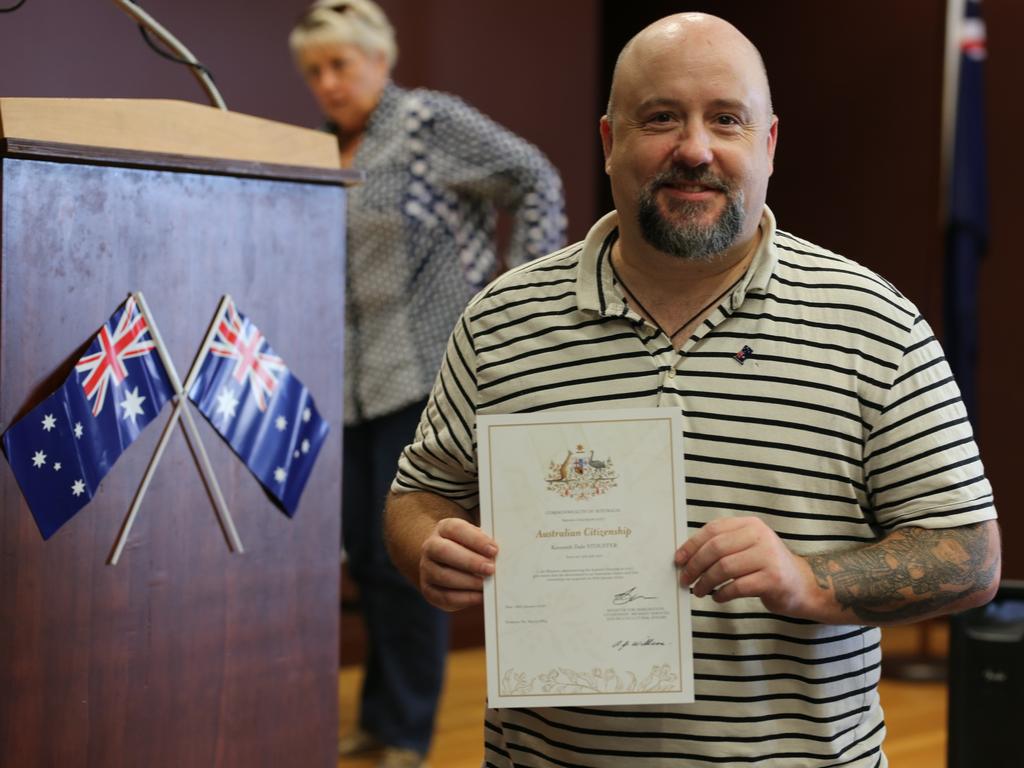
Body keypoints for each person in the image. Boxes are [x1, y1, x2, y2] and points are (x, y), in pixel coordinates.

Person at [384, 12, 1001, 767]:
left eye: (726, 120)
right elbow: (418, 495)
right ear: (610, 142)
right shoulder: (503, 319)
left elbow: (970, 556)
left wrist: (808, 581)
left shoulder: (875, 324)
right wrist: (428, 548)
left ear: (768, 144)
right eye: (662, 118)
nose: (695, 149)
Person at [288, 2, 566, 766]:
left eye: (341, 64)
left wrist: (523, 289)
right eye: (314, 71)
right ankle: (380, 718)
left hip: (426, 365)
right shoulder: (317, 147)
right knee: (358, 549)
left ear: (380, 59)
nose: (328, 82)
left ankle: (406, 730)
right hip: (344, 378)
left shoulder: (426, 123)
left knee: (405, 555)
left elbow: (533, 176)